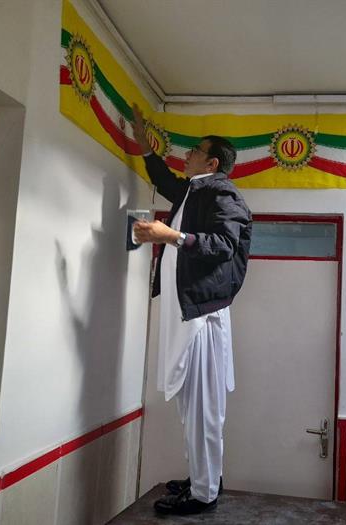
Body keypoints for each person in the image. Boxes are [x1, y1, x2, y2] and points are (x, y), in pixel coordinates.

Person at [131, 104, 252, 515]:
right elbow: (163, 178)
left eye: (195, 151)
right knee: (191, 404)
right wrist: (143, 142)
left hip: (202, 317)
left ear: (212, 163)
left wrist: (172, 236)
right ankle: (205, 476)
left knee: (202, 408)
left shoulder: (222, 193)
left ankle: (204, 494)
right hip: (188, 313)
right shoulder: (192, 191)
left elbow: (225, 245)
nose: (187, 154)